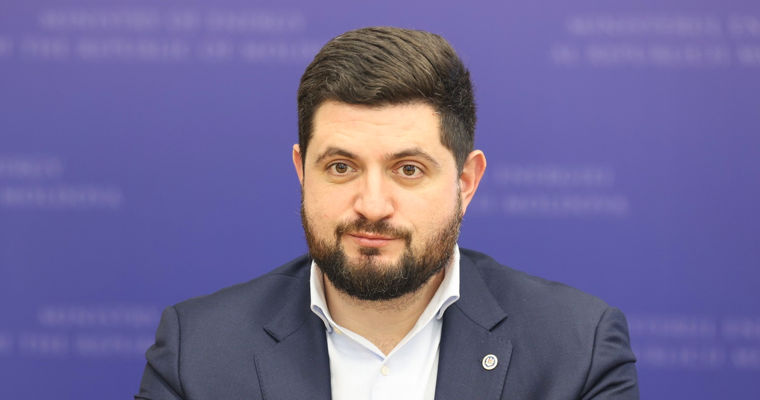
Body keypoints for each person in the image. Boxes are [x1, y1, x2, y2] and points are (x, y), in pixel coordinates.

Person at [135, 26, 638, 400]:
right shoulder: (196, 352)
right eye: (341, 167)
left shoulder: (578, 349)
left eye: (409, 170)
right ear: (302, 171)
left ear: (466, 182)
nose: (372, 206)